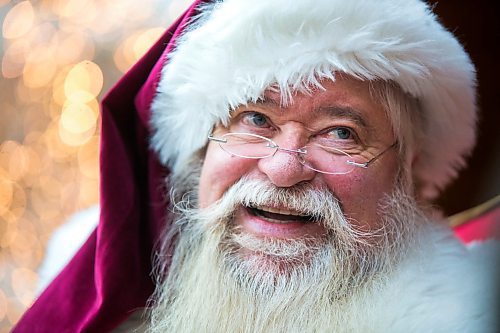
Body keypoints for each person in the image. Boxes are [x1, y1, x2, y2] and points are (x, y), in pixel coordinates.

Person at [14, 0, 499, 332]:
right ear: (201, 150)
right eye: (255, 119)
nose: (284, 169)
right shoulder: (101, 305)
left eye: (341, 133)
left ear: (407, 170)